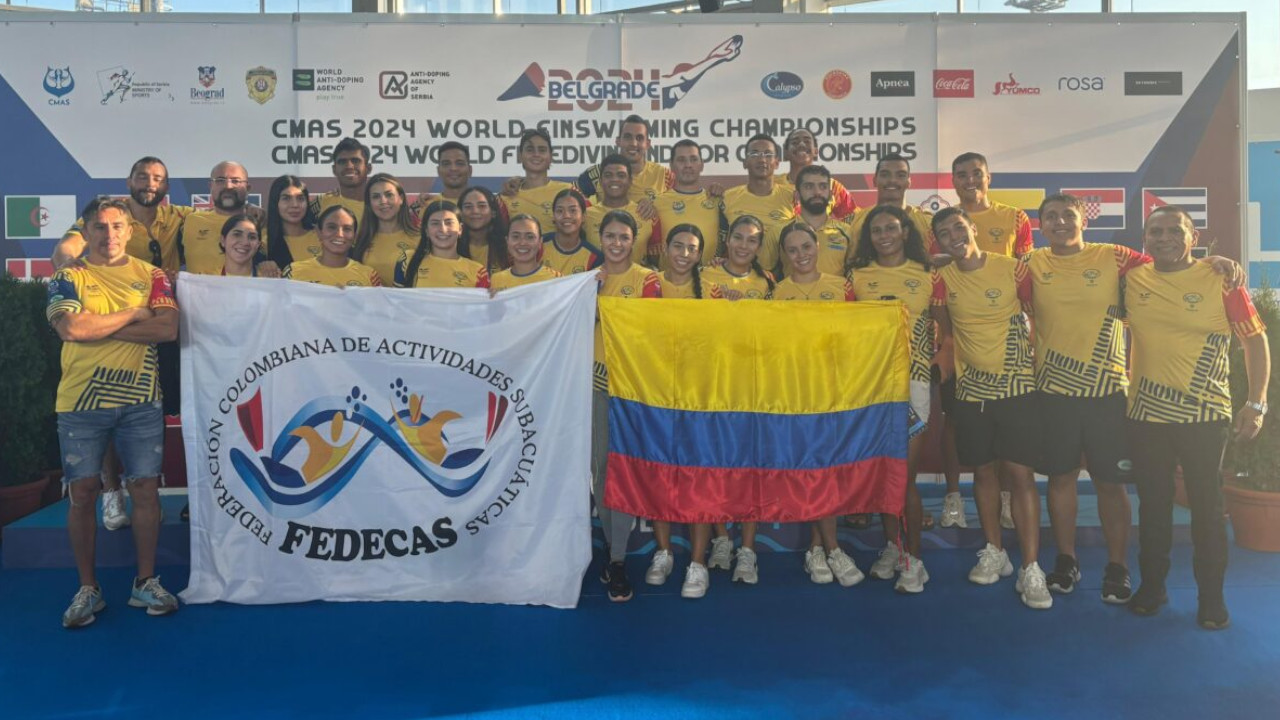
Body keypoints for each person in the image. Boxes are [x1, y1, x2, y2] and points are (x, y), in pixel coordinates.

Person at [1125, 205, 1269, 630]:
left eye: (1175, 230)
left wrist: (1256, 403)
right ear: (1145, 238)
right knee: (1152, 507)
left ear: (1193, 237)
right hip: (1146, 414)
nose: (1164, 237)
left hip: (1204, 416)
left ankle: (1211, 599)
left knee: (1207, 510)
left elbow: (1256, 342)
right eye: (1155, 231)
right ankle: (1153, 587)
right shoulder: (1132, 277)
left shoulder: (1220, 279)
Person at [47, 196, 180, 628]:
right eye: (100, 227)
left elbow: (167, 328)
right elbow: (71, 328)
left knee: (144, 491)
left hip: (142, 401)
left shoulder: (153, 274)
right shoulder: (68, 275)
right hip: (80, 403)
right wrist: (134, 312)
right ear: (84, 232)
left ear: (129, 231)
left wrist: (100, 326)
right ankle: (88, 588)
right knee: (83, 494)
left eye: (117, 227)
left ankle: (146, 581)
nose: (109, 235)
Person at [50, 157, 192, 532]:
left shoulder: (181, 215)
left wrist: (97, 327)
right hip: (122, 317)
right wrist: (76, 271)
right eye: (143, 176)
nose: (150, 182)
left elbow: (165, 327)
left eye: (158, 177)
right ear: (129, 181)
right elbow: (63, 253)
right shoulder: (104, 212)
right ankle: (113, 491)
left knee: (157, 410)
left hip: (162, 318)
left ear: (166, 185)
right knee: (111, 400)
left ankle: (148, 492)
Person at [930, 206, 1051, 610]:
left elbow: (1040, 317)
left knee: (1019, 475)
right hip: (971, 392)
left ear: (972, 228)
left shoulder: (1014, 269)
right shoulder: (941, 279)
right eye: (944, 233)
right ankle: (994, 551)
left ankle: (1031, 567)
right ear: (939, 242)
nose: (954, 237)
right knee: (982, 472)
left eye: (958, 228)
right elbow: (944, 333)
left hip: (1018, 388)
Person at [941, 152, 1034, 531]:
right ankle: (952, 498)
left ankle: (1010, 499)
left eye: (976, 174)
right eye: (961, 175)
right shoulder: (943, 225)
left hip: (1007, 344)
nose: (969, 181)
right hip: (964, 343)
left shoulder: (1015, 217)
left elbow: (1028, 267)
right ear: (953, 181)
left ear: (988, 177)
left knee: (1009, 441)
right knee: (957, 425)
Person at [771, 223, 865, 588]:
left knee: (830, 470)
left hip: (835, 392)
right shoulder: (778, 293)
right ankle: (829, 547)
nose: (801, 255)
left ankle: (820, 548)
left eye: (806, 246)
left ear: (818, 245)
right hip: (797, 395)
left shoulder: (841, 287)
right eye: (792, 250)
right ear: (784, 255)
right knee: (814, 470)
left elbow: (859, 336)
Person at [850, 205, 935, 593]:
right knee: (884, 475)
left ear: (905, 232)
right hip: (873, 387)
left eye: (891, 228)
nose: (883, 234)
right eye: (876, 229)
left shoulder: (928, 274)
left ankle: (914, 559)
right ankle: (891, 546)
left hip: (913, 384)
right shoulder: (857, 278)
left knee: (905, 478)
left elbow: (945, 330)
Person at [644, 224, 719, 599]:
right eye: (678, 245)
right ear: (666, 248)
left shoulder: (712, 290)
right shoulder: (647, 284)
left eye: (692, 247)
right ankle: (663, 552)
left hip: (699, 399)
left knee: (697, 478)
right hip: (655, 393)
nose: (684, 253)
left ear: (700, 253)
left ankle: (699, 562)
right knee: (660, 472)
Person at [700, 215, 775, 584]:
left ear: (760, 247)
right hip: (713, 385)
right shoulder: (705, 276)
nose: (744, 246)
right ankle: (721, 539)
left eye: (752, 240)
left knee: (750, 468)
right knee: (714, 464)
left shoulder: (767, 282)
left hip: (752, 388)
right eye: (738, 238)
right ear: (727, 240)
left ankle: (748, 551)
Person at [592, 210, 663, 602]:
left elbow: (648, 333)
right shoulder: (586, 281)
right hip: (592, 387)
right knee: (600, 473)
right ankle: (611, 554)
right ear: (600, 239)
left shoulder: (647, 281)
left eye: (623, 237)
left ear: (634, 240)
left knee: (625, 474)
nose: (616, 243)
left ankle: (617, 560)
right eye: (609, 236)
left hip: (631, 391)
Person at [178, 161, 270, 276]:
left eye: (235, 181)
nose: (228, 186)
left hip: (247, 292)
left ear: (248, 188)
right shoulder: (190, 220)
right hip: (199, 293)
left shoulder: (261, 222)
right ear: (210, 186)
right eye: (220, 180)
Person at [723, 134, 796, 278]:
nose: (762, 159)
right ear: (745, 162)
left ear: (777, 163)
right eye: (754, 153)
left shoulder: (792, 197)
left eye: (768, 154)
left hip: (782, 279)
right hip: (737, 279)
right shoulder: (728, 197)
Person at [652, 140, 726, 268]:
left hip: (708, 282)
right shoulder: (656, 203)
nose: (688, 165)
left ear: (701, 165)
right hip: (668, 282)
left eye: (693, 159)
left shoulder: (716, 200)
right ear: (671, 165)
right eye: (681, 160)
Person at [584, 154, 661, 268]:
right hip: (596, 283)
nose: (614, 179)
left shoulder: (647, 214)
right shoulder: (586, 215)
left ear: (630, 181)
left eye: (621, 175)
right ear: (600, 181)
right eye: (608, 175)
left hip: (635, 283)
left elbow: (655, 261)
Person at [577, 114, 673, 204]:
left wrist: (654, 207)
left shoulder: (664, 176)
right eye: (628, 137)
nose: (633, 143)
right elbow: (569, 198)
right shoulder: (598, 173)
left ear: (647, 144)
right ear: (618, 141)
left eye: (639, 138)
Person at [394, 200, 490, 289]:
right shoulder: (407, 260)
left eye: (449, 223)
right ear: (426, 230)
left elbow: (484, 306)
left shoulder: (477, 272)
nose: (443, 229)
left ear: (460, 229)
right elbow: (396, 302)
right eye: (435, 223)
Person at [283, 205, 382, 288]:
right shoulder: (294, 271)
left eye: (347, 229)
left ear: (355, 236)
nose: (339, 234)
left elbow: (378, 310)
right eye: (331, 227)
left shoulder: (370, 276)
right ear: (319, 233)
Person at [501, 129, 573, 235]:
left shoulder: (568, 191)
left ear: (551, 156)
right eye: (530, 150)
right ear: (520, 156)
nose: (536, 154)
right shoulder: (506, 196)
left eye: (542, 150)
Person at [774, 128, 857, 220]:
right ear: (785, 153)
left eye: (807, 141)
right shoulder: (773, 184)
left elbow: (854, 219)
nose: (801, 145)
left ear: (816, 152)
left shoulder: (831, 186)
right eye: (795, 142)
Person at [351, 173, 419, 284]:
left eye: (389, 195)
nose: (383, 201)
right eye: (376, 196)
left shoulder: (419, 238)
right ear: (369, 203)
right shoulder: (359, 240)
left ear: (401, 198)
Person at [793, 165, 854, 277]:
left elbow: (855, 275)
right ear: (797, 195)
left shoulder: (848, 232)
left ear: (831, 195)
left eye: (823, 186)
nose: (817, 192)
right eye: (808, 187)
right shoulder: (780, 231)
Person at [489, 214, 560, 292]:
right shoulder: (496, 280)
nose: (522, 243)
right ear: (507, 241)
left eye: (530, 237)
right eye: (516, 237)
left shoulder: (555, 279)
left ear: (540, 242)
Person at [541, 188, 602, 276]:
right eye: (560, 211)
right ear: (553, 216)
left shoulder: (595, 257)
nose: (566, 215)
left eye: (573, 210)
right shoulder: (538, 245)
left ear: (583, 216)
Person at [264, 175, 319, 270]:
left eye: (300, 198)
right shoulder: (263, 240)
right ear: (275, 202)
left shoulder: (321, 236)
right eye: (286, 198)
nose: (295, 205)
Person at [311, 137, 371, 220]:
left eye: (355, 161)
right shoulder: (321, 203)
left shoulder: (379, 203)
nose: (349, 166)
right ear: (334, 169)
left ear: (368, 168)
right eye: (342, 162)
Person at [457, 186, 509, 274]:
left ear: (493, 212)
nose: (475, 211)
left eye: (482, 206)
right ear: (460, 214)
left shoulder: (508, 247)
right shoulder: (452, 247)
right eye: (468, 206)